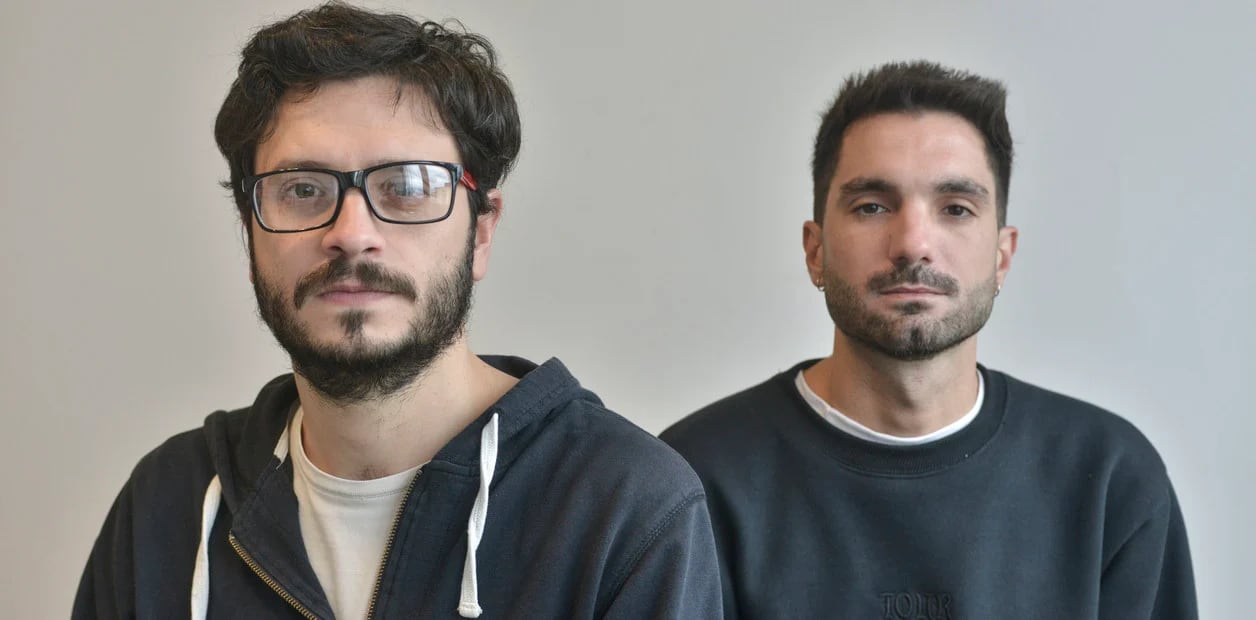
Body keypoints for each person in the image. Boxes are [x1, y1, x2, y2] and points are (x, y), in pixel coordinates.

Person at [73, 4, 721, 619]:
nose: (352, 233)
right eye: (302, 189)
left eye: (406, 187)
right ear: (251, 234)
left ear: (482, 231)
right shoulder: (168, 506)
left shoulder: (623, 508)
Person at [661, 60, 1196, 619]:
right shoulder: (692, 478)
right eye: (872, 206)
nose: (914, 243)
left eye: (956, 209)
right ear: (815, 250)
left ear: (1002, 255)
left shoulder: (1110, 481)